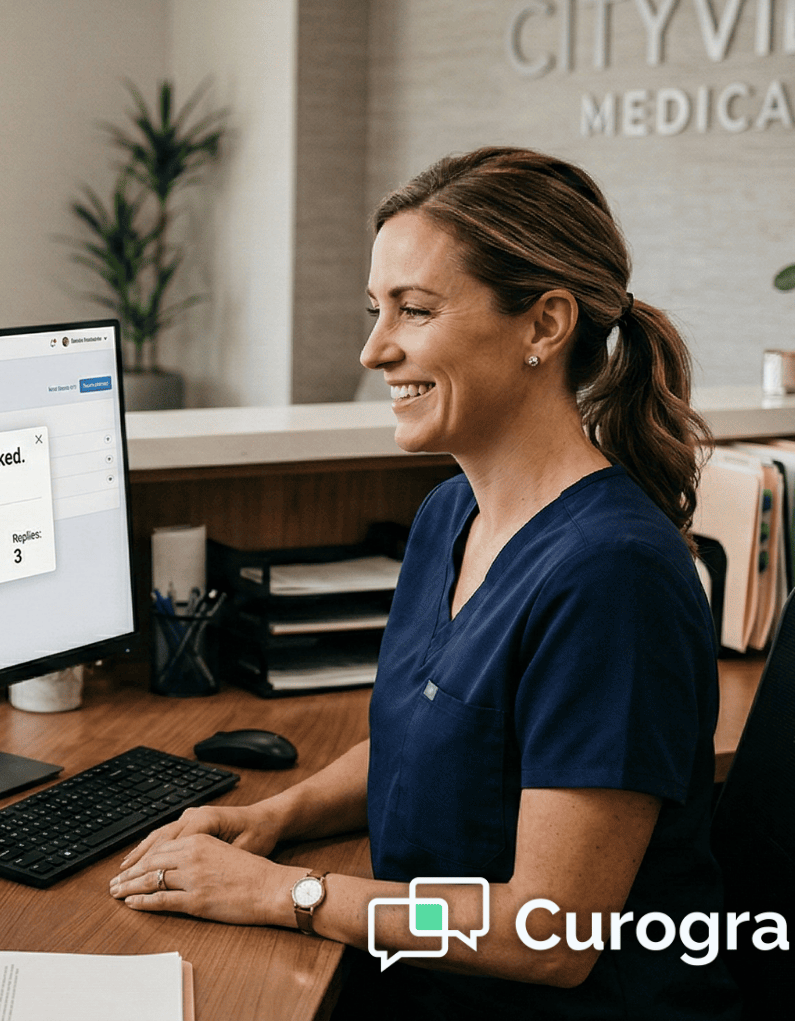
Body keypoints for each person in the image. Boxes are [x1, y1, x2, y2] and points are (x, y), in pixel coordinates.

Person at [111, 147, 741, 1018]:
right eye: (376, 310)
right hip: (427, 978)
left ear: (544, 325)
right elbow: (430, 742)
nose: (375, 350)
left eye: (415, 309)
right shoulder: (452, 513)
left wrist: (281, 894)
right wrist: (276, 821)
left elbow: (546, 935)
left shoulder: (612, 577)